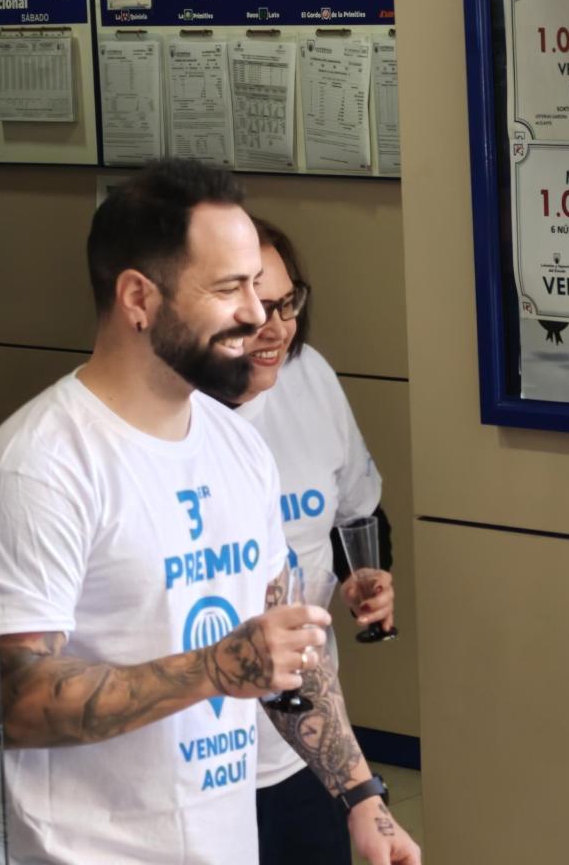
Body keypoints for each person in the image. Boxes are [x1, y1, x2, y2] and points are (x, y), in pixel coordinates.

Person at [0, 159, 420, 864]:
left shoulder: (237, 446)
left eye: (258, 288)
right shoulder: (39, 467)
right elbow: (7, 701)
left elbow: (287, 650)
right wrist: (214, 669)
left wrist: (362, 798)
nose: (257, 315)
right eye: (229, 289)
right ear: (139, 298)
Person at [209, 217, 395, 864]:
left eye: (287, 304)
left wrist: (363, 795)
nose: (276, 326)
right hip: (200, 765)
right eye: (256, 306)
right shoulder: (170, 429)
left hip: (302, 744)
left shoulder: (308, 378)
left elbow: (355, 512)